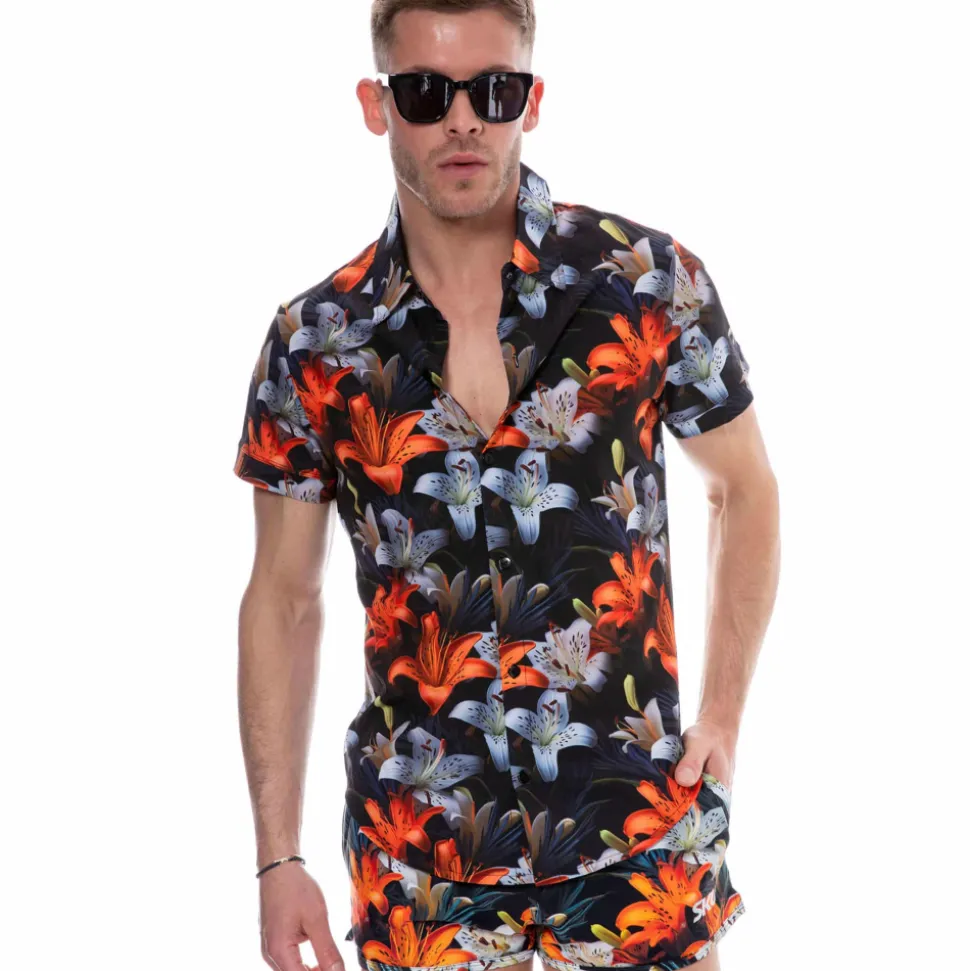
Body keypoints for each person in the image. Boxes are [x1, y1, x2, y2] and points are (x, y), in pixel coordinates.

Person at [232, 2, 780, 970]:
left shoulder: (646, 280)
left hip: (636, 836)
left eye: (493, 90)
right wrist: (278, 855)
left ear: (531, 99)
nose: (462, 120)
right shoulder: (316, 342)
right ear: (375, 105)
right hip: (419, 863)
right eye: (424, 92)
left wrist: (723, 717)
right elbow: (282, 596)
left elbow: (744, 489)